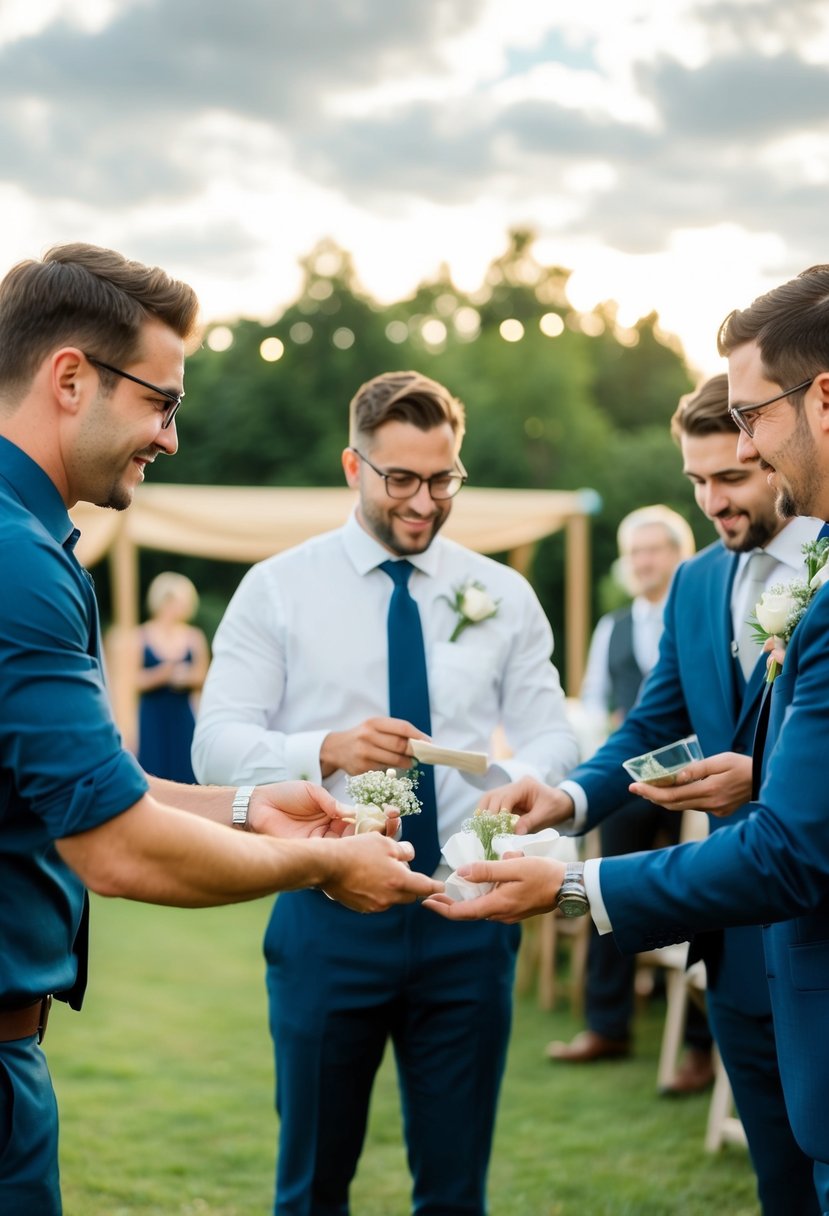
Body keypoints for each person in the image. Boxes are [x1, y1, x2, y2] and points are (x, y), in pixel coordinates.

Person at [0, 244, 441, 1216]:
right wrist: (324, 866)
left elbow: (90, 779)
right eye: (163, 402)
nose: (169, 436)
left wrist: (248, 804)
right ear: (70, 378)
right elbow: (113, 847)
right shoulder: (18, 560)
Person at [423, 270, 829, 1212]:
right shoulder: (694, 587)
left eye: (733, 473)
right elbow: (651, 729)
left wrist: (570, 884)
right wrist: (564, 802)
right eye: (696, 484)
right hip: (736, 947)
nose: (716, 503)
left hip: (790, 892)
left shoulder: (820, 567)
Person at [192, 369, 579, 1216]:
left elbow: (551, 731)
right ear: (351, 467)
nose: (423, 501)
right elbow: (213, 746)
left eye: (443, 479)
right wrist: (322, 748)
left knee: (454, 1191)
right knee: (312, 1187)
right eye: (399, 478)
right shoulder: (278, 589)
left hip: (467, 914)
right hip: (324, 914)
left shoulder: (503, 595)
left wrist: (527, 782)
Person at [550, 505, 715, 1094]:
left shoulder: (705, 610)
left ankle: (700, 1043)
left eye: (656, 550)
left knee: (704, 894)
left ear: (681, 554)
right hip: (628, 784)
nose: (645, 562)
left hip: (704, 783)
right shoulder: (612, 627)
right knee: (603, 887)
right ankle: (607, 1023)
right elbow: (595, 703)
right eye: (636, 552)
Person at [134, 571, 209, 782]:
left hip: (183, 715)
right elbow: (130, 682)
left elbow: (205, 677)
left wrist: (188, 678)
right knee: (153, 770)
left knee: (185, 771)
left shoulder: (194, 637)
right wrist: (161, 675)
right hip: (152, 715)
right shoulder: (140, 637)